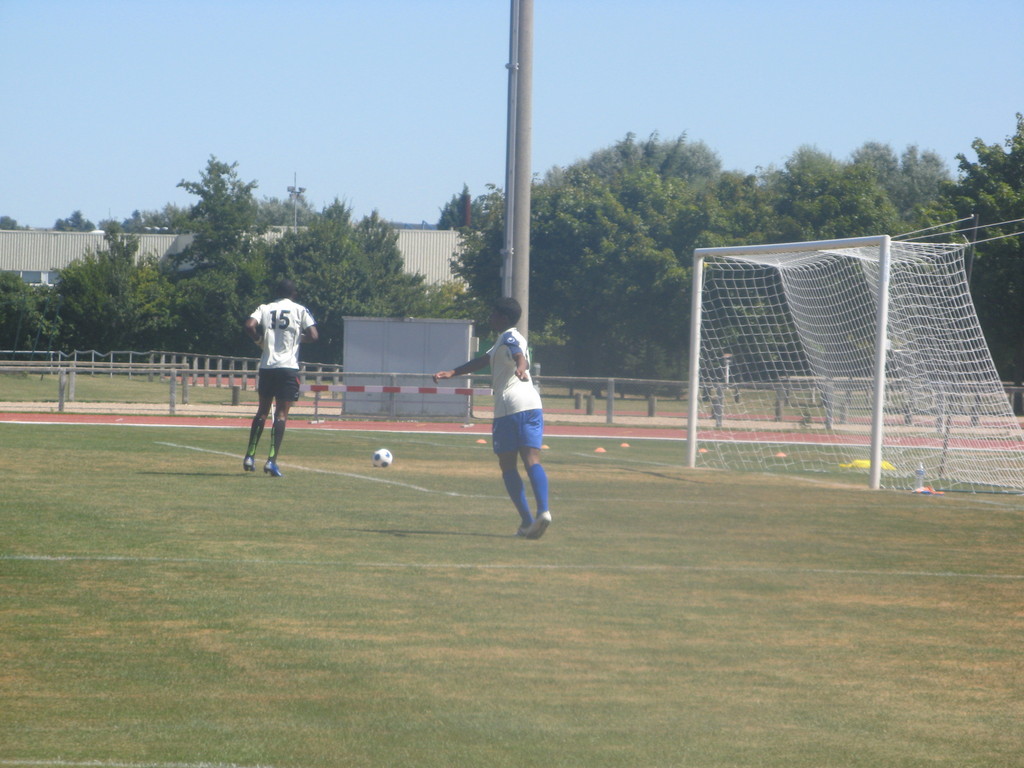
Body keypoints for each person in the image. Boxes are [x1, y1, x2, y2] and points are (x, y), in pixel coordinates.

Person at [434, 297, 551, 539]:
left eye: (493, 314)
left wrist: (521, 366)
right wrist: (453, 372)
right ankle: (544, 511)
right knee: (532, 459)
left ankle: (528, 521)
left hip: (510, 406)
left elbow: (519, 356)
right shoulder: (505, 340)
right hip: (532, 404)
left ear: (504, 318)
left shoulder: (508, 337)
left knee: (508, 465)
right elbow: (485, 360)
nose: (490, 318)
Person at [242, 279, 318, 477]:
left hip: (267, 366)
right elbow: (314, 335)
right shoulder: (300, 310)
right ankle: (271, 460)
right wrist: (298, 338)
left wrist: (260, 340)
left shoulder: (265, 308)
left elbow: (249, 325)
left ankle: (250, 455)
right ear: (294, 294)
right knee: (282, 414)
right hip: (288, 368)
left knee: (262, 411)